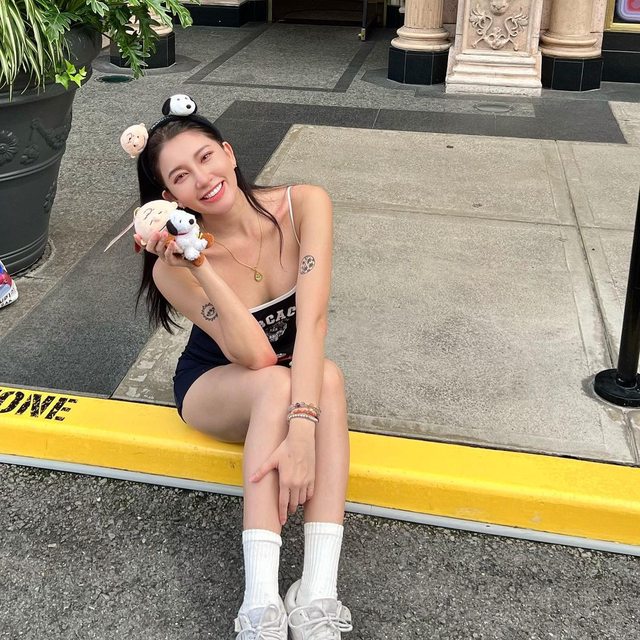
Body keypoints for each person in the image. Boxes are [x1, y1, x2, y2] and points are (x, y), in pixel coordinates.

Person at [124, 95, 352, 639]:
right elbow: (255, 356)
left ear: (228, 153)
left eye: (206, 157)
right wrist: (199, 263)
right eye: (181, 176)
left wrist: (302, 434)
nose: (202, 179)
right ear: (169, 199)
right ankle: (260, 605)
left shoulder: (306, 205)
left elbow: (313, 323)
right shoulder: (171, 270)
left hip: (286, 377)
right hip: (214, 384)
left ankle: (316, 594)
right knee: (275, 382)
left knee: (326, 376)